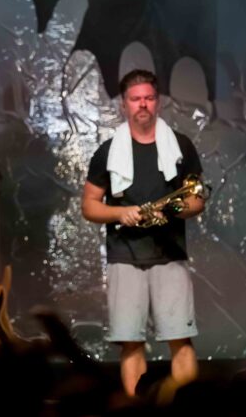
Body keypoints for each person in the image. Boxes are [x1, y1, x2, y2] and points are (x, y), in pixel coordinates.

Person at [81, 69, 205, 397]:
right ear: (124, 104)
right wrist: (119, 213)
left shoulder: (181, 146)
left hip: (170, 255)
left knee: (180, 339)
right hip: (125, 256)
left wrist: (173, 210)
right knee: (131, 343)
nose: (143, 105)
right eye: (136, 99)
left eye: (149, 98)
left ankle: (187, 408)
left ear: (158, 102)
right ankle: (134, 411)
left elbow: (197, 199)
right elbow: (89, 206)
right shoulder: (108, 151)